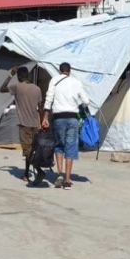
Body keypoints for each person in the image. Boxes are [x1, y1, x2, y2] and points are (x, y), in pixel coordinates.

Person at [41, 62, 89, 190]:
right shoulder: (76, 82)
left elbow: (49, 99)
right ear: (70, 71)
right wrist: (78, 105)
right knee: (70, 146)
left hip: (58, 118)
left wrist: (45, 117)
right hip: (72, 118)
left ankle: (59, 174)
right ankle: (67, 180)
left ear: (59, 70)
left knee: (59, 146)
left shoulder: (54, 81)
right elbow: (86, 101)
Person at [0, 66, 43, 183]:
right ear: (28, 75)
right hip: (35, 123)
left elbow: (2, 89)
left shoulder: (18, 87)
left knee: (27, 150)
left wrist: (10, 74)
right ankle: (26, 174)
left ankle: (39, 171)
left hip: (24, 124)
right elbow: (40, 107)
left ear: (19, 76)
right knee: (32, 149)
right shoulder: (37, 89)